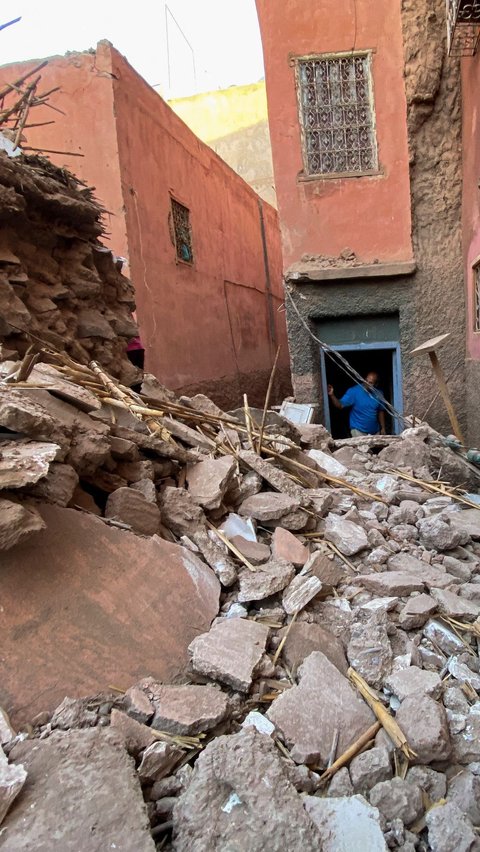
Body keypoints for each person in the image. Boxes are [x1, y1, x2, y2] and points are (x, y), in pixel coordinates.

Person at [328, 371, 386, 436]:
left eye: (370, 383)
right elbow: (340, 405)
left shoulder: (379, 393)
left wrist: (383, 428)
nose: (367, 383)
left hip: (375, 431)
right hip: (358, 431)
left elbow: (381, 411)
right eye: (366, 380)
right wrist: (332, 395)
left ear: (376, 384)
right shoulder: (354, 391)